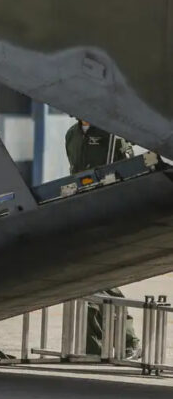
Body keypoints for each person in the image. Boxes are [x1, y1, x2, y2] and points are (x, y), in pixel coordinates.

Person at [64, 120, 140, 357]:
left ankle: (128, 340)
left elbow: (129, 172)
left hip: (107, 213)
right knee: (83, 279)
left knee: (102, 279)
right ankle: (93, 345)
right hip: (82, 210)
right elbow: (74, 171)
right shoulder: (71, 134)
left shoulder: (114, 133)